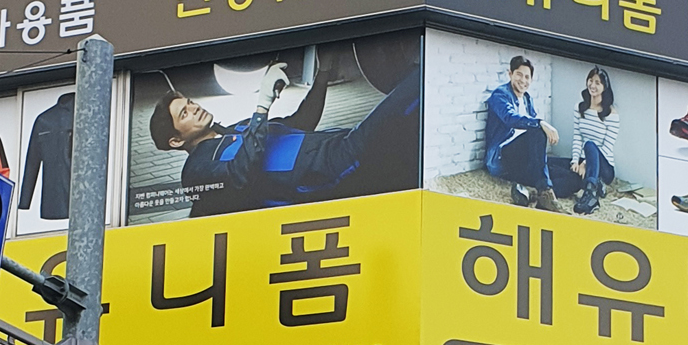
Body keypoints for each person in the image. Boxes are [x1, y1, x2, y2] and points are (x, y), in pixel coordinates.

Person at [149, 57, 420, 219]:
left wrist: (323, 73)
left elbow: (302, 121)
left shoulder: (237, 130)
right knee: (414, 89)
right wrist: (262, 105)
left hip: (342, 143)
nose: (194, 108)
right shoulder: (196, 170)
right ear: (176, 141)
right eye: (184, 113)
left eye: (190, 103)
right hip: (335, 166)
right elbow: (239, 175)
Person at [484, 55, 560, 212]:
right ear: (510, 74)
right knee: (537, 131)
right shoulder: (500, 95)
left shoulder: (527, 99)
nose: (523, 80)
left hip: (523, 158)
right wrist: (541, 122)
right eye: (519, 74)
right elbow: (510, 118)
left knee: (567, 173)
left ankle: (533, 194)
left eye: (527, 77)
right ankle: (545, 191)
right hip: (502, 157)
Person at [557, 66, 620, 215]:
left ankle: (591, 195)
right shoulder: (580, 108)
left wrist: (585, 163)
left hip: (605, 167)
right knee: (552, 163)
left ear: (604, 87)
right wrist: (575, 162)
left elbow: (607, 146)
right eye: (590, 81)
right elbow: (577, 136)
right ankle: (595, 184)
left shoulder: (611, 114)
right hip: (583, 159)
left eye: (598, 82)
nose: (593, 85)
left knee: (589, 145)